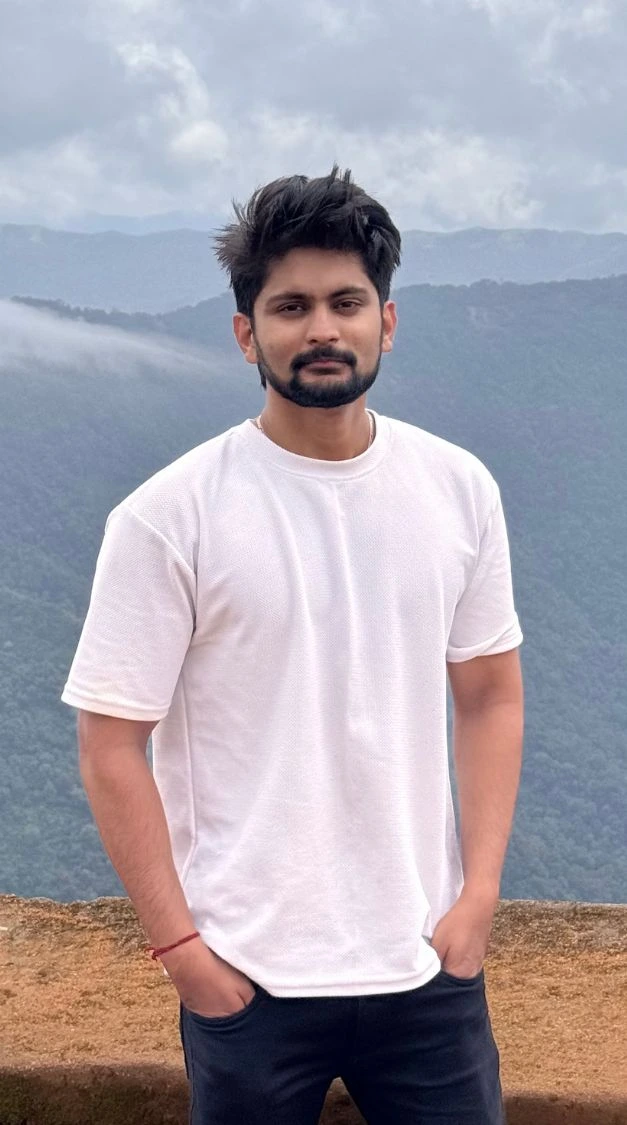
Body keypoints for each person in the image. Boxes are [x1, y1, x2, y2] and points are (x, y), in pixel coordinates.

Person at [61, 165, 524, 1124]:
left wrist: (476, 897)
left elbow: (488, 694)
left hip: (427, 965)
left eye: (347, 301)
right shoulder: (168, 517)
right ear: (246, 335)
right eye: (291, 306)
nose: (322, 328)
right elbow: (111, 746)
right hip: (247, 974)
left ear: (385, 322)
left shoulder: (458, 489)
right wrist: (184, 954)